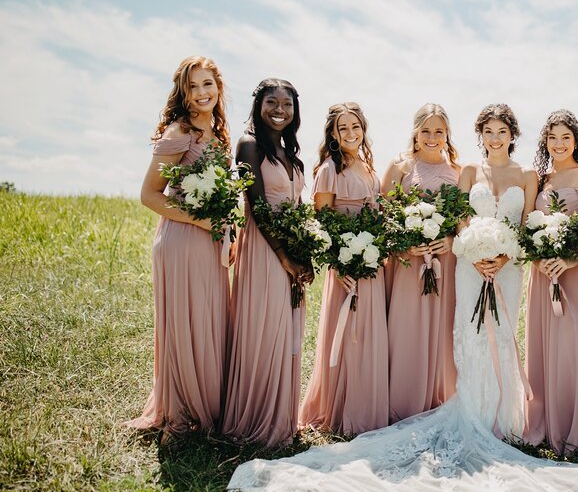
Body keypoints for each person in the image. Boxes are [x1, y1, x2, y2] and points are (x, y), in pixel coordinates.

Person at [228, 103, 578, 492]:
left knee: (502, 337)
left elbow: (524, 225)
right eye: (489, 132)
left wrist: (504, 253)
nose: (495, 138)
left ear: (513, 137)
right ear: (480, 135)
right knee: (471, 336)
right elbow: (461, 221)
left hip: (510, 265)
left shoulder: (527, 176)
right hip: (468, 263)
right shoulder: (465, 173)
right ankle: (473, 408)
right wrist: (474, 249)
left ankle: (505, 417)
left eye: (503, 132)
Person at [127, 55, 230, 440]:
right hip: (181, 240)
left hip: (211, 243)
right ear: (183, 93)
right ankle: (182, 415)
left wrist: (225, 230)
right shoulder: (179, 133)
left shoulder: (218, 133)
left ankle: (206, 406)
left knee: (208, 321)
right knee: (186, 323)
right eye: (193, 86)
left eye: (208, 84)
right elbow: (149, 195)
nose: (202, 93)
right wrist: (201, 220)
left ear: (218, 88)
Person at [223, 79, 311, 448]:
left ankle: (283, 418)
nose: (279, 110)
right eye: (271, 102)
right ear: (258, 106)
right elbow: (256, 206)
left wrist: (305, 251)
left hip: (289, 250)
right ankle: (256, 419)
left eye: (287, 104)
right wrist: (284, 256)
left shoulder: (293, 156)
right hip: (264, 249)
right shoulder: (249, 145)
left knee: (286, 329)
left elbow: (298, 209)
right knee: (264, 327)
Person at [299, 103, 389, 436]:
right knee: (349, 335)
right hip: (347, 267)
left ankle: (369, 405)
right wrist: (341, 263)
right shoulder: (328, 169)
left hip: (372, 263)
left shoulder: (368, 167)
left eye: (355, 127)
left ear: (363, 129)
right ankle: (342, 410)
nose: (350, 134)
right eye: (343, 128)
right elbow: (322, 221)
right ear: (333, 134)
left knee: (369, 334)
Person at [523, 109, 578, 454]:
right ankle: (545, 422)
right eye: (552, 138)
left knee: (573, 347)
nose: (558, 144)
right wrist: (539, 260)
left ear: (576, 140)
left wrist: (570, 260)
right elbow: (527, 227)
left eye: (565, 137)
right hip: (543, 275)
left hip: (576, 274)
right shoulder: (541, 179)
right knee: (545, 346)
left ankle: (575, 425)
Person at [382, 104, 462, 421]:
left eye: (439, 131)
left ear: (447, 135)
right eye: (426, 130)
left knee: (441, 330)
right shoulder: (400, 167)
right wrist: (405, 241)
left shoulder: (457, 171)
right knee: (405, 328)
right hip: (407, 262)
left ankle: (437, 398)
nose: (432, 137)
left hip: (444, 262)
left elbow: (462, 222)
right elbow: (383, 214)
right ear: (416, 132)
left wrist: (452, 241)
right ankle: (401, 401)